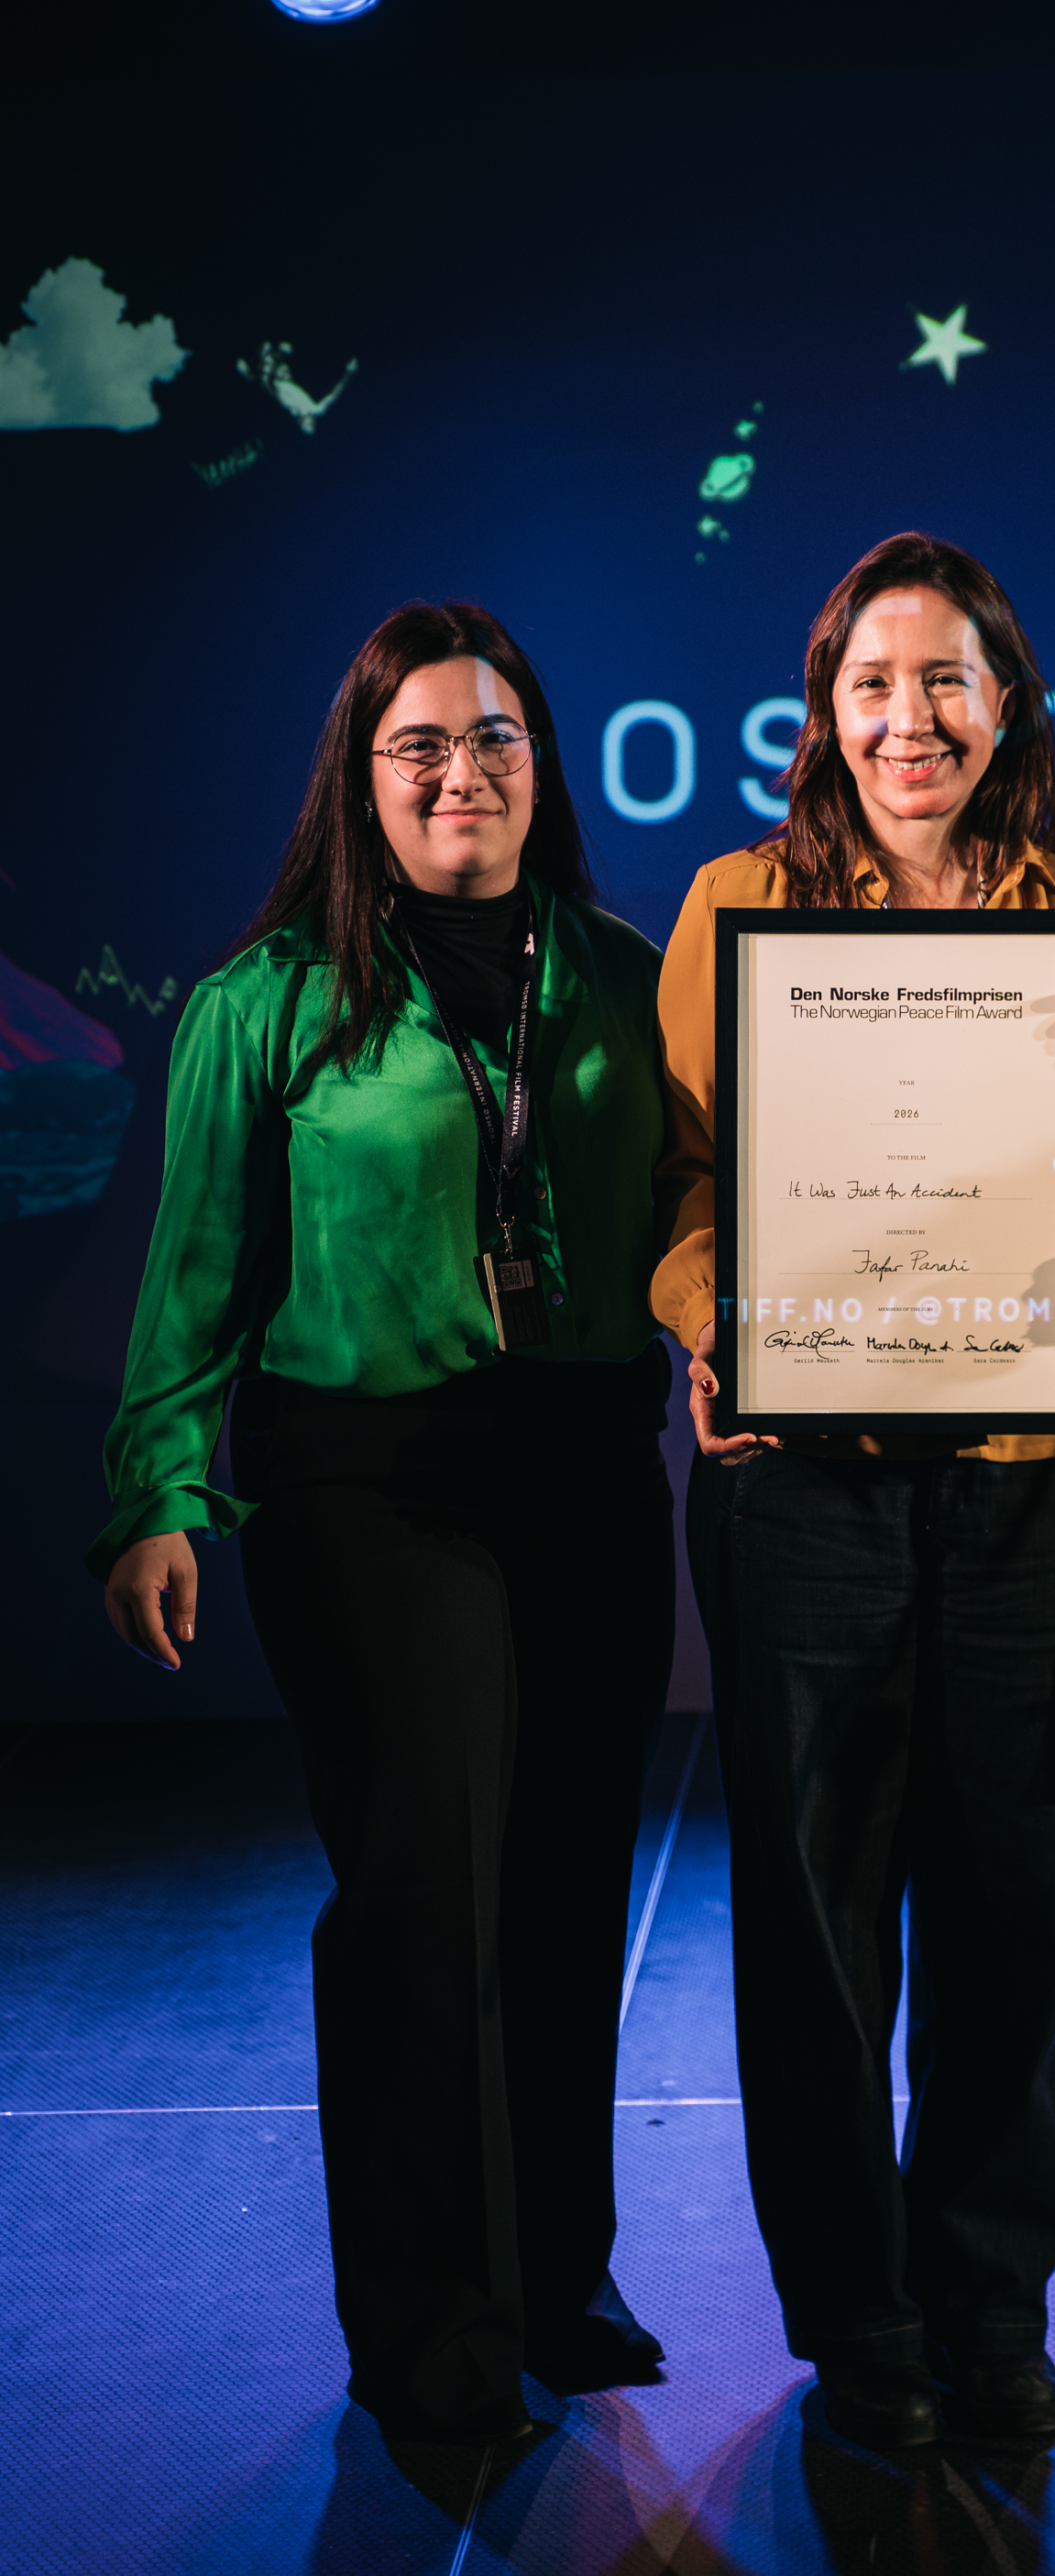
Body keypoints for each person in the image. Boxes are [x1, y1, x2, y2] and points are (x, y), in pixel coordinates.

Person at [89, 603, 675, 2449]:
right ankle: (428, 2325)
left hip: (586, 1473)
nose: (459, 771)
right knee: (432, 1892)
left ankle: (554, 2275)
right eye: (418, 743)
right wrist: (157, 1494)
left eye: (495, 737)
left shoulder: (624, 973)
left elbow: (707, 1208)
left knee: (570, 1886)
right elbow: (189, 1281)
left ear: (540, 767)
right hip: (365, 1485)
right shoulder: (261, 1001)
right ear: (360, 778)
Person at [652, 532, 1055, 2453]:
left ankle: (988, 2302)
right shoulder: (736, 903)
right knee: (810, 1904)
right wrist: (721, 1328)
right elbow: (682, 1185)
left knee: (1014, 1897)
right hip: (807, 1476)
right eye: (875, 682)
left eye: (946, 680)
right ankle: (854, 2321)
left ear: (1006, 705)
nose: (911, 716)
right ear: (827, 709)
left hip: (1024, 1472)